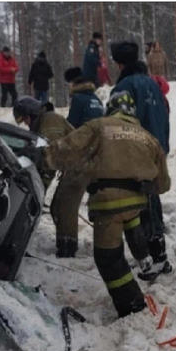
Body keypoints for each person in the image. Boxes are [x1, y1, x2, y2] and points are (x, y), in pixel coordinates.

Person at [20, 91, 171, 318]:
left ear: (111, 108)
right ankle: (145, 261)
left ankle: (133, 306)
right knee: (130, 221)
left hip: (108, 204)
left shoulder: (99, 126)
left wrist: (42, 156)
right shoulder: (147, 137)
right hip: (136, 203)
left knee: (108, 258)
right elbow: (163, 184)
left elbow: (70, 148)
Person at [110, 40, 172, 278]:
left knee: (141, 204)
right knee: (152, 198)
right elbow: (165, 116)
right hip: (157, 149)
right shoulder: (153, 84)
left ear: (118, 62)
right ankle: (159, 255)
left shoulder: (124, 87)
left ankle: (155, 258)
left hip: (137, 152)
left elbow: (116, 124)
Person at [47, 67, 105, 257]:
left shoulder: (79, 100)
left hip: (81, 157)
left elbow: (72, 128)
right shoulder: (96, 100)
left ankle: (67, 246)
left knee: (65, 202)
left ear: (73, 84)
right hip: (97, 155)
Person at [12, 96, 73, 189]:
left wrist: (38, 187)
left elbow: (53, 154)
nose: (25, 123)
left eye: (25, 119)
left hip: (82, 162)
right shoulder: (41, 122)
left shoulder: (50, 121)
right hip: (72, 163)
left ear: (32, 114)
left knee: (63, 201)